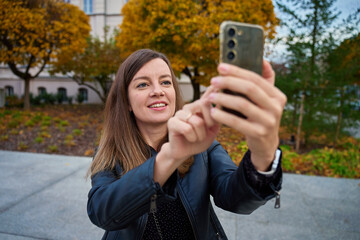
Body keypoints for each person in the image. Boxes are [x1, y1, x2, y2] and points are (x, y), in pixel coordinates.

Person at [87, 49, 287, 240]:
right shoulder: (109, 153)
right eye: (142, 85)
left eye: (165, 82)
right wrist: (170, 156)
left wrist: (264, 152)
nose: (158, 91)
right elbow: (102, 212)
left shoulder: (202, 147)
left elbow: (236, 198)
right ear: (127, 102)